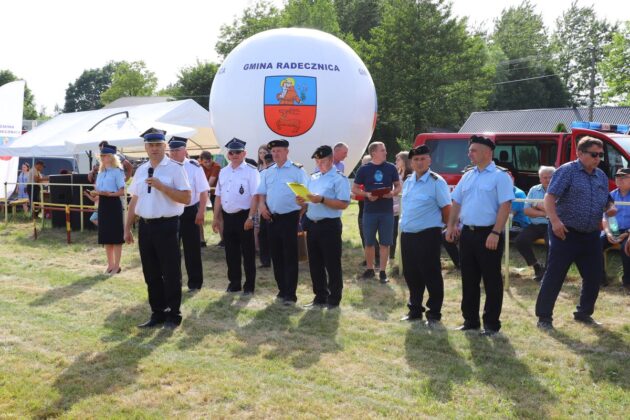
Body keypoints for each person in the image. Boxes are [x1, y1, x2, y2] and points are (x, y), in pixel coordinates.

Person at [535, 137, 615, 330]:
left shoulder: (601, 176)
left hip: (590, 235)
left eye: (601, 155)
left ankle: (584, 313)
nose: (598, 158)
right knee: (555, 275)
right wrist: (555, 222)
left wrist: (610, 207)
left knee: (594, 275)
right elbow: (550, 197)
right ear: (580, 153)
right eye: (594, 154)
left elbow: (606, 200)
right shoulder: (567, 171)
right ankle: (544, 317)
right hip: (565, 233)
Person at [446, 135, 514, 336]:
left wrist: (495, 232)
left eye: (473, 150)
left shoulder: (500, 176)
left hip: (488, 233)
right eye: (470, 150)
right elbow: (456, 202)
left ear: (487, 152)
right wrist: (451, 226)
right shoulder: (468, 175)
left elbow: (505, 205)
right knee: (469, 278)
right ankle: (470, 320)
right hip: (468, 233)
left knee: (491, 280)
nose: (469, 154)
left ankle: (491, 324)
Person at [124, 129, 191, 329]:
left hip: (167, 225)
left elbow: (187, 198)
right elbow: (134, 200)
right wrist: (127, 227)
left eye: (158, 145)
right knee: (151, 273)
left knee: (170, 272)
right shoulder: (142, 170)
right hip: (146, 227)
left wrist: (163, 187)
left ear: (165, 147)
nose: (154, 149)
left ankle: (174, 314)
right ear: (145, 147)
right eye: (150, 145)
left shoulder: (175, 168)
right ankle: (157, 313)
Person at [400, 145, 451, 325]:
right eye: (416, 160)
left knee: (431, 274)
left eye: (423, 159)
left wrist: (446, 228)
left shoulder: (437, 182)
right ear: (411, 162)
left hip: (427, 235)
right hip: (408, 234)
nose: (419, 162)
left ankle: (434, 313)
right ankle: (415, 309)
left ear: (429, 160)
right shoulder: (408, 181)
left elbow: (447, 209)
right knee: (411, 274)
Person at [297, 145, 350, 309]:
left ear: (331, 159)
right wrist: (301, 202)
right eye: (317, 161)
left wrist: (322, 200)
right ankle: (320, 296)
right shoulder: (313, 177)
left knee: (332, 263)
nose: (319, 164)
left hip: (329, 225)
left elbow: (343, 204)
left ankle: (334, 299)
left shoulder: (339, 179)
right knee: (315, 263)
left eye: (323, 161)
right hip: (311, 223)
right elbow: (307, 201)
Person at [257, 138, 308, 305]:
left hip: (290, 217)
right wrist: (262, 206)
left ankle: (290, 294)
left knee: (290, 255)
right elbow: (261, 194)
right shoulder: (267, 172)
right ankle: (281, 290)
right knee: (276, 256)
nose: (275, 154)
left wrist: (301, 211)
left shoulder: (297, 171)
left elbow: (306, 196)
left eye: (279, 150)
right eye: (273, 151)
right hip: (272, 218)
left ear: (287, 151)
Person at [213, 138, 260, 295]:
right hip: (228, 217)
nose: (234, 155)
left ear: (244, 153)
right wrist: (215, 217)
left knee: (248, 253)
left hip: (244, 216)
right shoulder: (223, 171)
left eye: (238, 152)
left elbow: (255, 196)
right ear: (228, 154)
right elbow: (218, 196)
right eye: (231, 152)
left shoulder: (251, 171)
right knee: (230, 253)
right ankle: (234, 283)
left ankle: (249, 286)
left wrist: (251, 217)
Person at [352, 141, 401, 284]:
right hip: (370, 211)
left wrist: (392, 193)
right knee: (369, 242)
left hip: (386, 211)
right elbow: (354, 189)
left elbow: (398, 186)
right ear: (374, 153)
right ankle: (369, 269)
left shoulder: (391, 168)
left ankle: (383, 272)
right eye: (383, 150)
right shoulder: (364, 169)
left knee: (385, 243)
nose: (386, 152)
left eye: (384, 150)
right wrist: (367, 194)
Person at [168, 136, 210, 292]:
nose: (173, 153)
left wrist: (201, 211)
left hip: (189, 211)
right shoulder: (165, 166)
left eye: (177, 150)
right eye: (171, 150)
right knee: (172, 250)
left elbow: (203, 191)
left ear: (185, 150)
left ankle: (195, 283)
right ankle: (174, 282)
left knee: (192, 249)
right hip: (171, 211)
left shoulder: (194, 166)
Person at [515, 166, 555, 281]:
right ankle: (537, 267)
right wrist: (545, 213)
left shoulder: (559, 190)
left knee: (551, 245)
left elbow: (558, 211)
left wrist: (537, 205)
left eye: (550, 177)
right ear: (540, 178)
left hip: (552, 224)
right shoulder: (533, 190)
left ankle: (547, 273)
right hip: (536, 225)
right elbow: (527, 211)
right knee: (520, 241)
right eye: (544, 177)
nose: (547, 180)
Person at [90, 145, 126, 274]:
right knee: (106, 236)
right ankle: (110, 265)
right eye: (101, 156)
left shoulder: (118, 171)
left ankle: (117, 266)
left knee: (116, 236)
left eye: (104, 156)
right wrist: (96, 193)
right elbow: (99, 189)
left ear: (111, 157)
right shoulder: (100, 172)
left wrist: (109, 194)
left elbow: (122, 191)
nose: (102, 158)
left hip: (113, 204)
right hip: (103, 204)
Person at [604, 168, 630, 290]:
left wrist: (626, 234)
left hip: (628, 232)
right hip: (613, 230)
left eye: (623, 177)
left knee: (628, 247)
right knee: (593, 244)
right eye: (617, 177)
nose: (619, 179)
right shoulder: (610, 196)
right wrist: (608, 233)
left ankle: (627, 283)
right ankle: (600, 279)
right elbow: (604, 218)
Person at [391, 151, 412, 260]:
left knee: (403, 234)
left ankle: (404, 258)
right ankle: (392, 257)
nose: (396, 162)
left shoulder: (410, 176)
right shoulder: (397, 174)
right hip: (394, 208)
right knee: (393, 232)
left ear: (405, 161)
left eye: (398, 159)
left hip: (404, 209)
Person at [200, 151, 222, 246]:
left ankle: (223, 239)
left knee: (218, 216)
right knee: (199, 216)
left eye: (209, 161)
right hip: (203, 192)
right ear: (201, 161)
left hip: (215, 194)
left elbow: (211, 182)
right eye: (205, 162)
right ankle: (201, 240)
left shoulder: (216, 166)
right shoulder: (199, 166)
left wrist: (203, 189)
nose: (208, 164)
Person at [256, 151, 273, 268]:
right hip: (266, 206)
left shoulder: (263, 172)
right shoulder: (262, 173)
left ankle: (268, 259)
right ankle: (266, 260)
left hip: (271, 206)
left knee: (268, 235)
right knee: (264, 234)